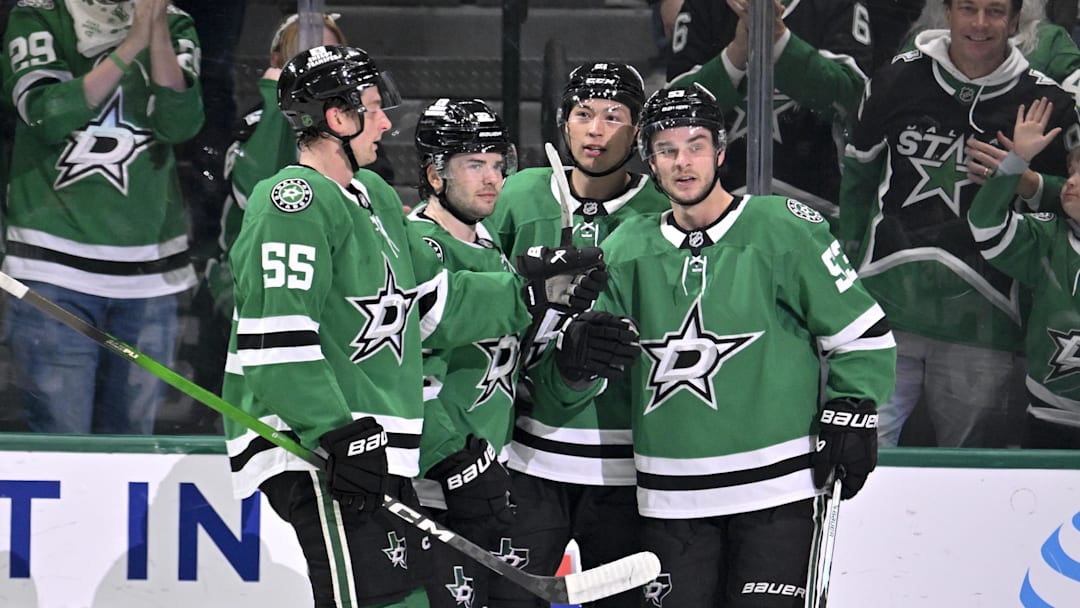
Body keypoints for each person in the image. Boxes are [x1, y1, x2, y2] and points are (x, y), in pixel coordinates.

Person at [222, 45, 607, 608]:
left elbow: (426, 304)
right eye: (373, 108)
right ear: (338, 117)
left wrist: (529, 289)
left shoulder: (372, 196)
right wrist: (334, 431)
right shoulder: (293, 202)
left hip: (373, 444)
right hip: (319, 449)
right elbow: (275, 336)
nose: (385, 122)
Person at [532, 84, 896, 608]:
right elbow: (573, 381)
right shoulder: (626, 247)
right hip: (670, 502)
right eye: (666, 149)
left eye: (697, 145)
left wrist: (853, 403)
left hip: (779, 494)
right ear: (649, 163)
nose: (683, 162)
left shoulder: (783, 230)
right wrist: (573, 361)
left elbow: (864, 337)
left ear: (721, 152)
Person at [839, 0, 1080, 448]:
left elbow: (1074, 195)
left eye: (994, 11)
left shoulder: (1050, 102)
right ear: (946, 13)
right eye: (968, 8)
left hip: (986, 324)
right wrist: (847, 281)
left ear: (1014, 19)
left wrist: (1028, 181)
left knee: (973, 478)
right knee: (861, 463)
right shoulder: (895, 79)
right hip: (886, 310)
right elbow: (857, 181)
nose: (980, 23)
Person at [485, 61, 670, 608]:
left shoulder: (663, 209)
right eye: (584, 114)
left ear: (638, 131)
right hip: (526, 457)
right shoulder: (520, 195)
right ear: (563, 122)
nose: (596, 130)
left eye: (614, 116)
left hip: (625, 467)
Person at [1, 0, 204, 434]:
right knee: (61, 438)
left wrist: (157, 31)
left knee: (131, 443)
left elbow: (180, 123)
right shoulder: (38, 14)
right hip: (53, 268)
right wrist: (133, 43)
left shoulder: (176, 23)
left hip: (149, 276)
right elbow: (46, 113)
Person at [406, 97, 521, 608]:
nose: (492, 178)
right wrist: (452, 458)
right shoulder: (415, 244)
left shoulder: (491, 244)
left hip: (491, 482)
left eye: (497, 164)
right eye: (474, 165)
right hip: (432, 490)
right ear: (435, 174)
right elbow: (404, 369)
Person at [666, 0, 873, 220]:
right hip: (713, 212)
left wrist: (777, 37)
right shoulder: (703, 7)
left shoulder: (837, 5)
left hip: (818, 213)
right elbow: (672, 115)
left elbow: (852, 99)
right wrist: (737, 52)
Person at [205, 12, 347, 320]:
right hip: (248, 288)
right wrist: (275, 100)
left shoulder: (353, 130)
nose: (316, 70)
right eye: (303, 56)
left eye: (330, 58)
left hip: (325, 286)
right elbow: (253, 191)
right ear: (277, 60)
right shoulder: (252, 125)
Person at [967, 97, 1080, 448]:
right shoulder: (1047, 235)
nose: (1071, 182)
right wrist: (1016, 162)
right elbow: (985, 226)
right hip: (1049, 413)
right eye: (1071, 172)